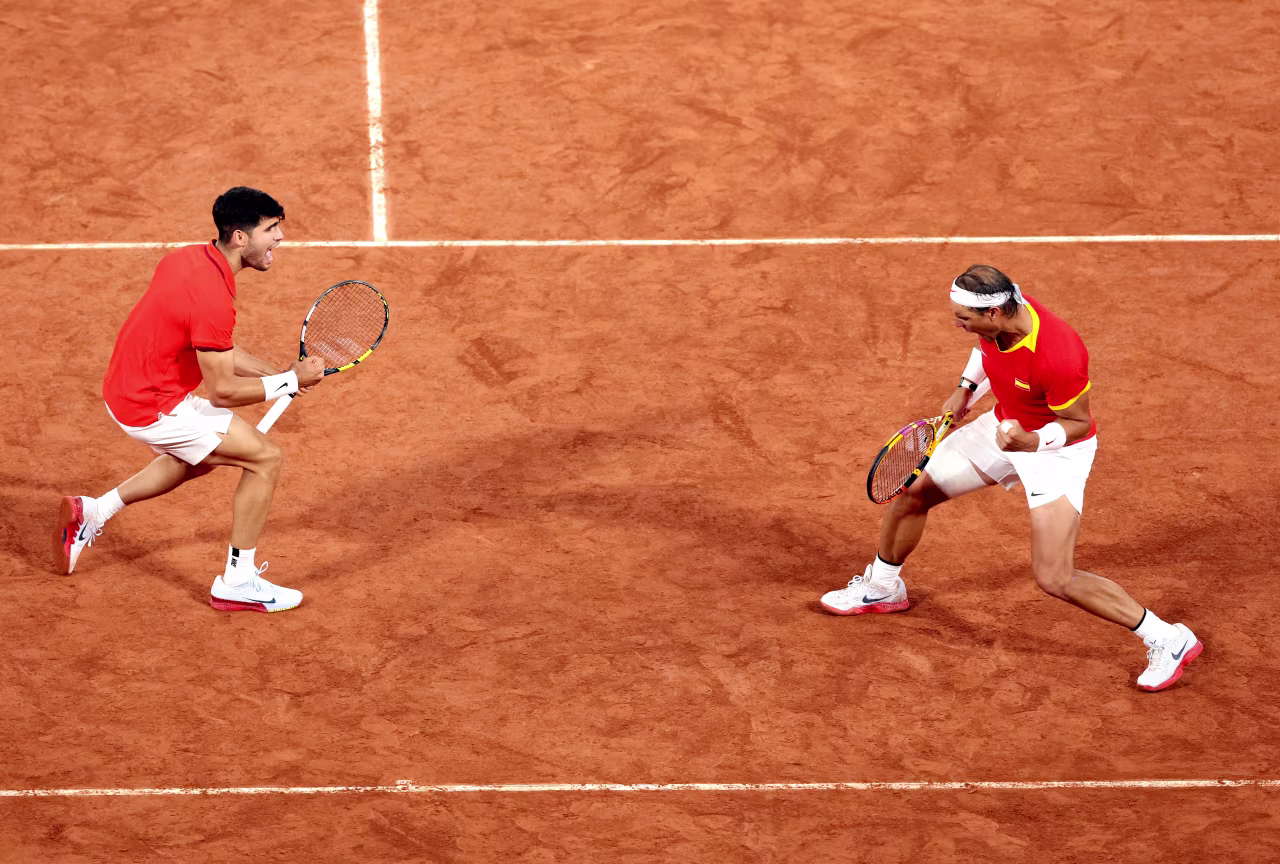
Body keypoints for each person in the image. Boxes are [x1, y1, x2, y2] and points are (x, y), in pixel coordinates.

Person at [820, 265, 1201, 692]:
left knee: (1056, 577)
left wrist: (1032, 442)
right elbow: (984, 350)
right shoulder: (1000, 318)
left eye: (964, 317)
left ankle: (1168, 638)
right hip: (1002, 428)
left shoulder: (1059, 354)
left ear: (997, 312)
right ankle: (883, 586)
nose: (956, 323)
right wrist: (966, 388)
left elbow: (1078, 423)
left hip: (1055, 452)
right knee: (912, 492)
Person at [52, 187, 324, 612]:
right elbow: (223, 390)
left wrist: (279, 373)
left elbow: (217, 349)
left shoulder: (189, 258)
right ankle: (237, 582)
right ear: (239, 237)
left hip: (128, 385)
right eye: (271, 229)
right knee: (264, 458)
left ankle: (93, 512)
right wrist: (289, 381)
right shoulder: (214, 298)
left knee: (197, 456)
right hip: (150, 404)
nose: (280, 238)